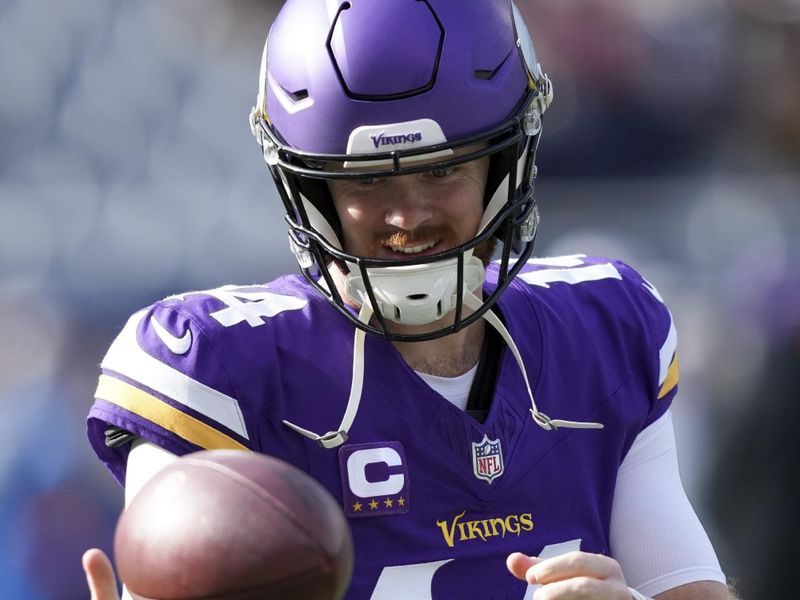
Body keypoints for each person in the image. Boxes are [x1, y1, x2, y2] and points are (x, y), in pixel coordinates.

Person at [84, 1, 737, 598]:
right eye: (366, 180)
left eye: (443, 167)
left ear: (504, 164)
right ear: (311, 193)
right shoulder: (222, 370)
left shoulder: (602, 333)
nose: (408, 216)